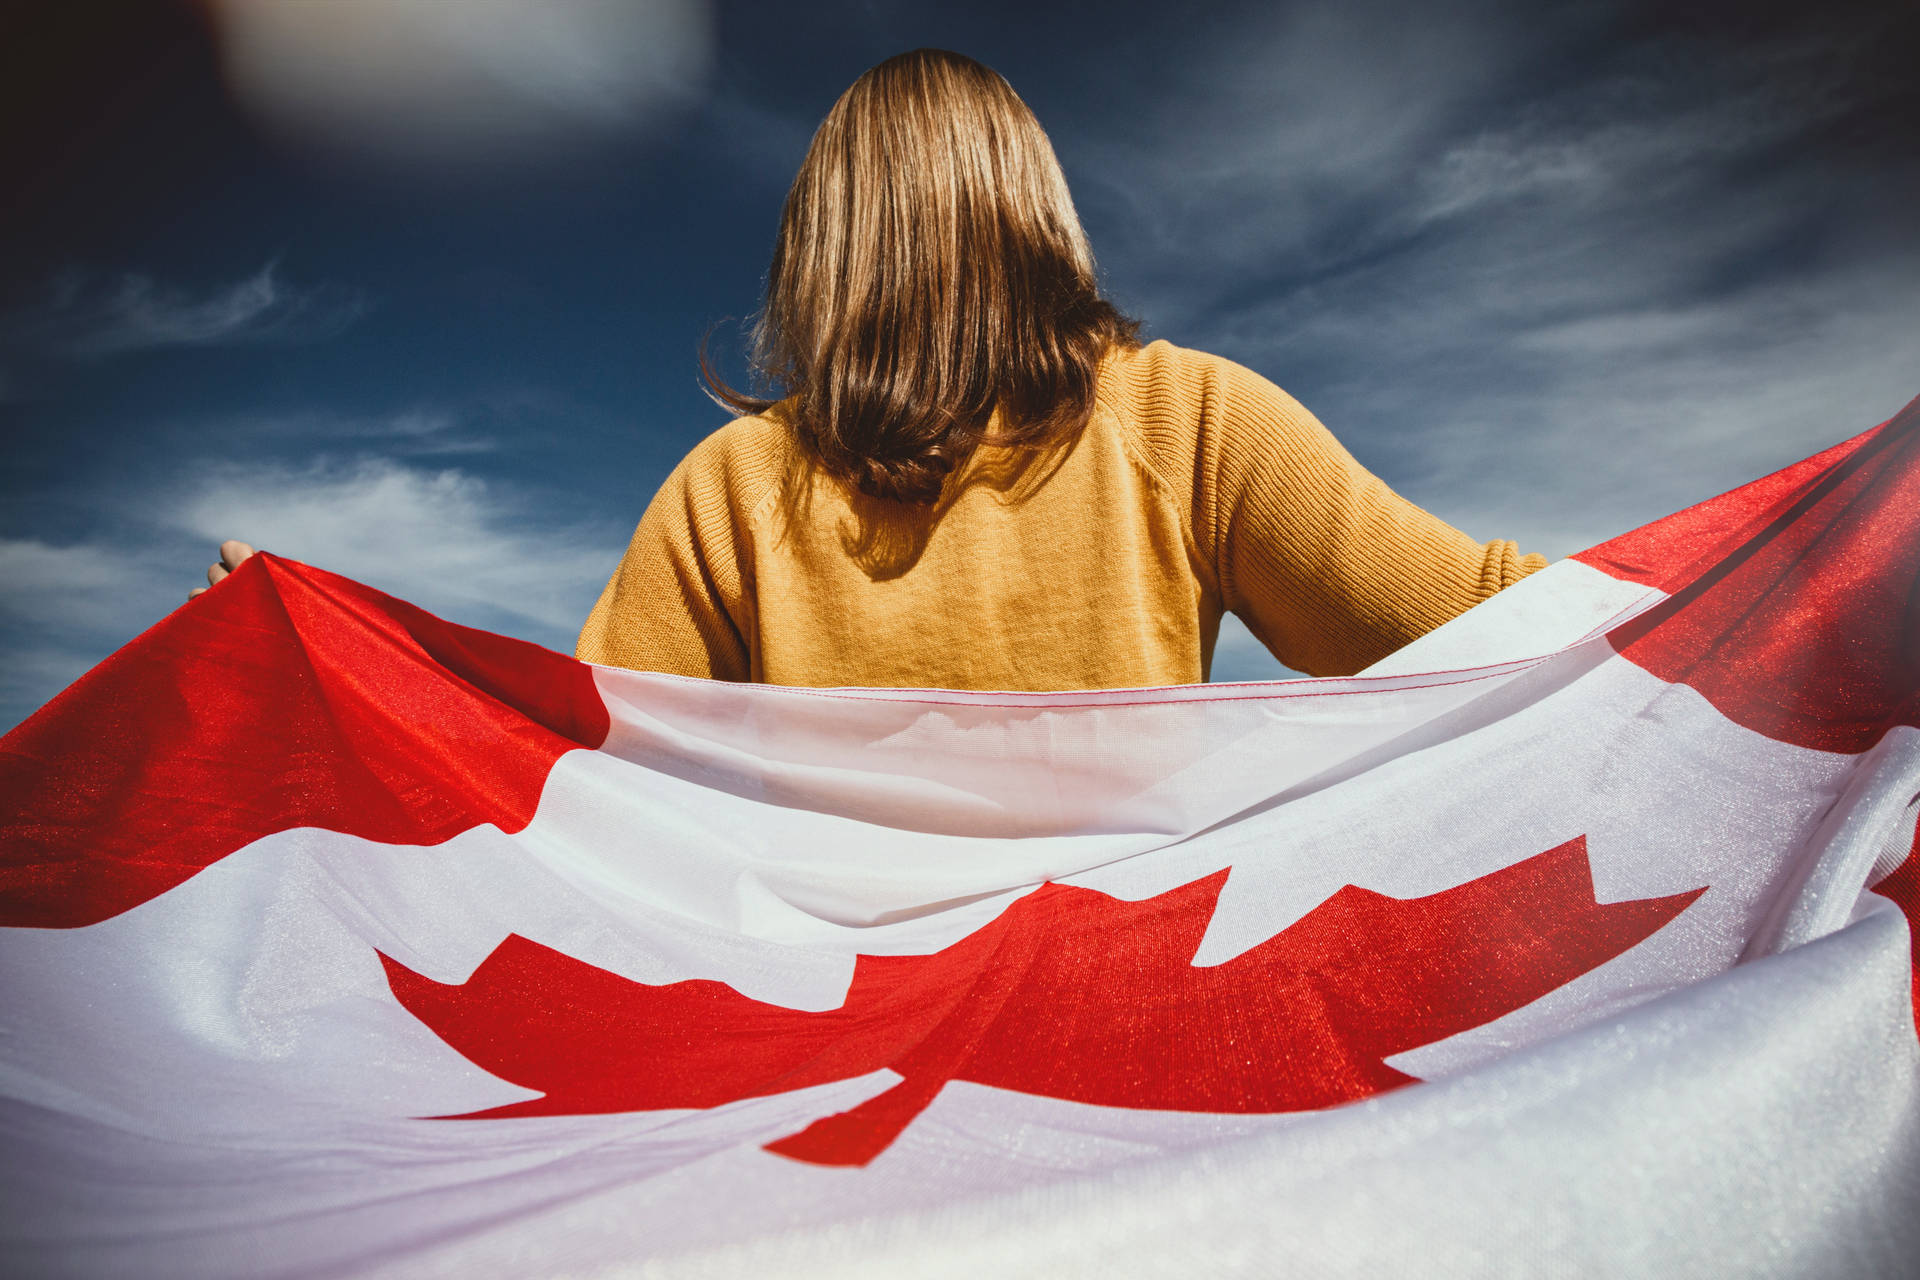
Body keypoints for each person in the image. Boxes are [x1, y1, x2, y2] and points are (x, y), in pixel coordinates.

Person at [195, 50, 1543, 688]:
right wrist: (1743, 570)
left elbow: (577, 765)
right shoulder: (1187, 419)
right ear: (1039, 215)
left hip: (825, 1063)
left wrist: (339, 667)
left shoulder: (733, 487)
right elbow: (1479, 617)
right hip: (1132, 1038)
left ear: (822, 249)